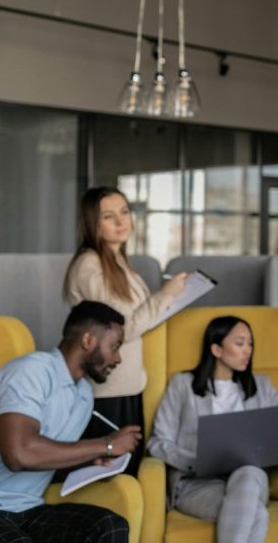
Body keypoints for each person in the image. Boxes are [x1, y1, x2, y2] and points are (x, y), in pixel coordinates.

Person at [0, 301, 143, 543]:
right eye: (114, 346)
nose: (118, 358)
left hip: (28, 509)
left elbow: (45, 457)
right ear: (88, 341)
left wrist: (88, 463)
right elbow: (18, 455)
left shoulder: (83, 395)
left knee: (109, 526)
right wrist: (106, 444)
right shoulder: (30, 371)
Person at [63, 186, 188, 476]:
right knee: (114, 478)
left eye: (124, 212)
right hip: (107, 390)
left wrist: (175, 297)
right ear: (93, 223)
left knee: (130, 474)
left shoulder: (119, 263)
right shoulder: (90, 264)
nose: (122, 222)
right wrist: (165, 295)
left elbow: (135, 319)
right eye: (109, 216)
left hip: (129, 384)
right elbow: (117, 332)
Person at [147, 316, 278, 543]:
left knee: (249, 472)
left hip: (251, 478)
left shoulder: (262, 386)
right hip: (197, 484)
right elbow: (157, 442)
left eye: (250, 344)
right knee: (256, 513)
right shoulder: (182, 385)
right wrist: (195, 461)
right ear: (217, 349)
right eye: (240, 343)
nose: (247, 350)